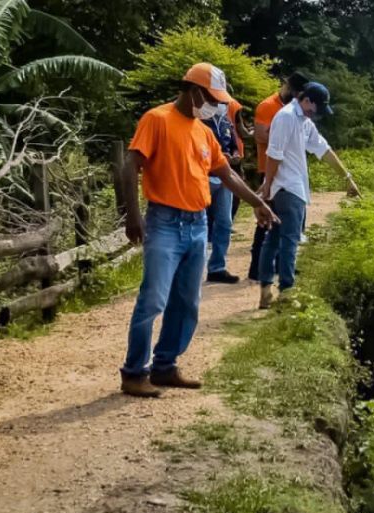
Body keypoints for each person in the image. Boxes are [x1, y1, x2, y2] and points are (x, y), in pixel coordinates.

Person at [119, 63, 278, 398]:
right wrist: (132, 216)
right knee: (154, 300)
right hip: (164, 222)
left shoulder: (203, 131)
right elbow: (129, 166)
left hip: (196, 224)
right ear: (193, 91)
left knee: (187, 301)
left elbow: (226, 174)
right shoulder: (157, 119)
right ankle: (134, 372)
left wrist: (256, 203)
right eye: (211, 98)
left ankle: (165, 366)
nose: (216, 105)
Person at [258, 81, 359, 309]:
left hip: (287, 188)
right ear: (306, 100)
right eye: (315, 108)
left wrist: (347, 177)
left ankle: (266, 293)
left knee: (274, 240)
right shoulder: (285, 117)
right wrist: (267, 189)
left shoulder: (303, 121)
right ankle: (286, 293)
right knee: (288, 241)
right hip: (286, 189)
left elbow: (324, 150)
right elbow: (273, 155)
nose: (316, 114)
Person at [248, 72, 309, 281]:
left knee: (284, 224)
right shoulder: (269, 106)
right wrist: (284, 135)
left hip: (287, 171)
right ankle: (256, 268)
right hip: (269, 168)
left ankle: (282, 265)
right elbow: (259, 134)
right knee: (266, 223)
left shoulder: (294, 111)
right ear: (289, 87)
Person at [202, 102, 241, 284]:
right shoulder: (200, 121)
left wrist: (233, 154)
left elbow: (233, 145)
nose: (222, 105)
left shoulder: (226, 122)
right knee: (197, 223)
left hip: (224, 177)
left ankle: (217, 267)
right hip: (204, 177)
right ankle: (191, 268)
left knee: (224, 222)